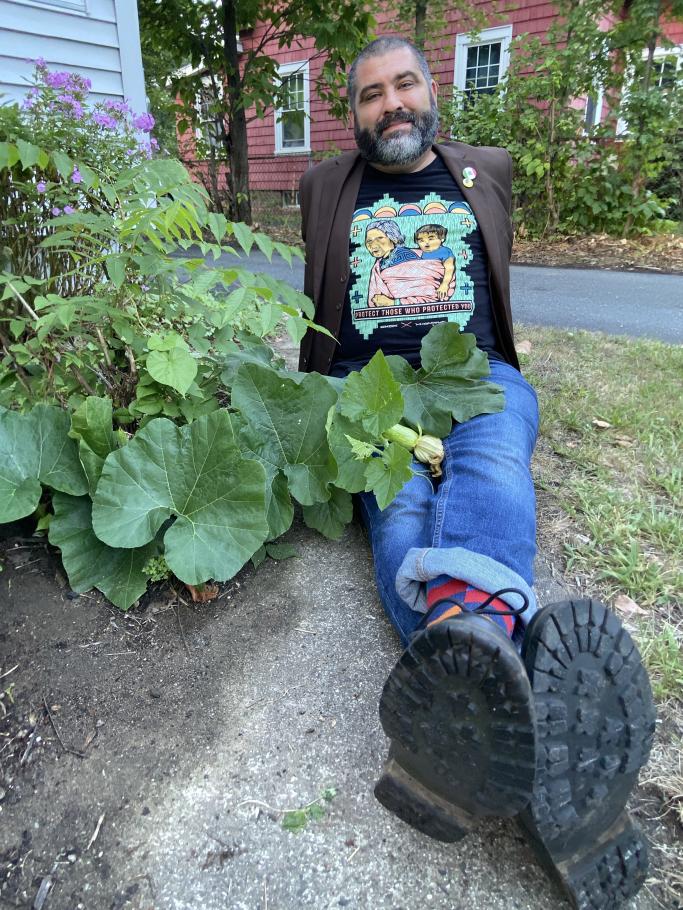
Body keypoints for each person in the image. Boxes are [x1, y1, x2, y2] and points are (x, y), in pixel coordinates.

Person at [298, 35, 655, 909]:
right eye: (371, 93)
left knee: (491, 463)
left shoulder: (482, 174)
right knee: (399, 506)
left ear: (432, 90)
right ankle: (504, 672)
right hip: (367, 387)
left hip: (477, 372)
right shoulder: (322, 190)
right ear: (351, 115)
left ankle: (461, 667)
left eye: (405, 83)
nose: (391, 104)